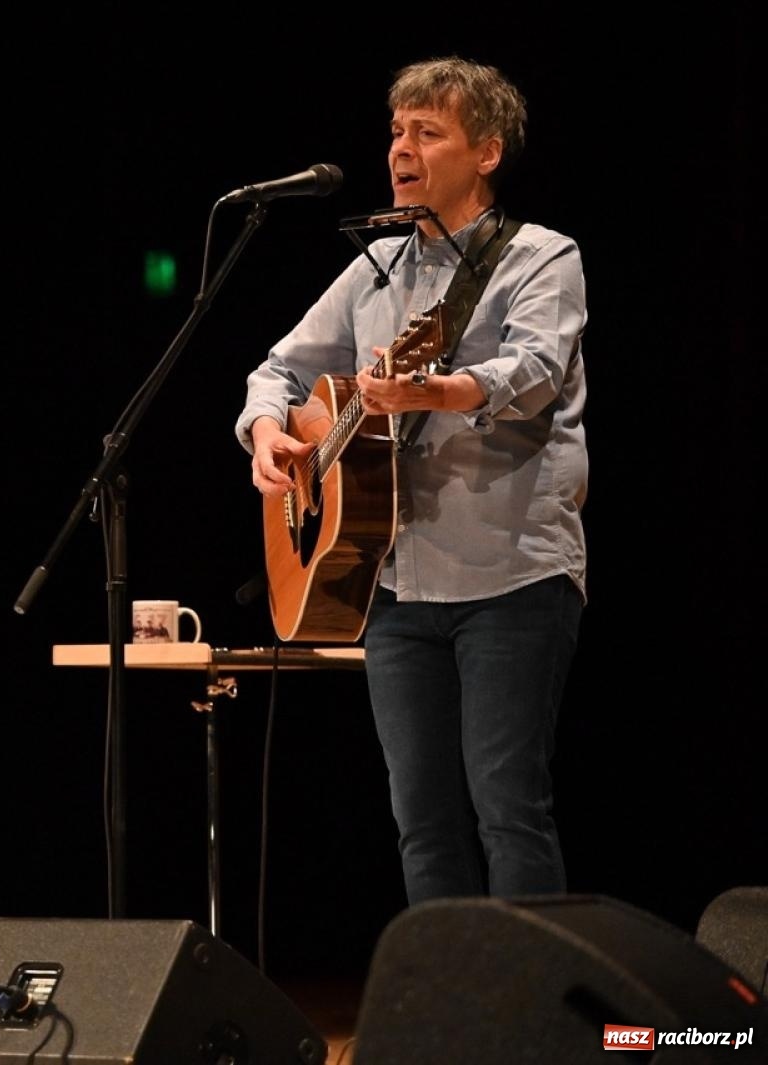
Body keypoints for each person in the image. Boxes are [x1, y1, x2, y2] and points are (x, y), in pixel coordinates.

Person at [236, 57, 587, 905]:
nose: (401, 148)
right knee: (421, 819)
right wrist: (270, 433)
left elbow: (536, 370)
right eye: (397, 130)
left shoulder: (542, 257)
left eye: (427, 132)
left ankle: (533, 1017)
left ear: (488, 151)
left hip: (513, 576)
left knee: (507, 807)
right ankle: (452, 1013)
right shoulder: (378, 268)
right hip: (392, 586)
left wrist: (434, 389)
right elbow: (275, 369)